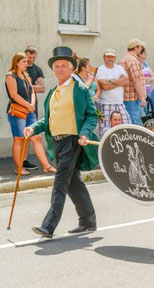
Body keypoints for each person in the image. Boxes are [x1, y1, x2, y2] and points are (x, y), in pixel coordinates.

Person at [24, 46, 99, 238]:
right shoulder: (53, 91)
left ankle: (48, 226)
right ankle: (88, 221)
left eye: (63, 66)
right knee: (73, 183)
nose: (59, 69)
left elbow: (92, 115)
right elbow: (48, 119)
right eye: (56, 66)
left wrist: (84, 133)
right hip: (56, 142)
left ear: (72, 68)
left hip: (72, 141)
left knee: (60, 182)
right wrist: (33, 127)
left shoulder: (79, 88)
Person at [5, 53, 56, 176]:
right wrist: (28, 106)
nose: (26, 64)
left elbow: (32, 92)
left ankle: (46, 166)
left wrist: (31, 104)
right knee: (19, 139)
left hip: (29, 111)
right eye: (23, 61)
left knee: (36, 137)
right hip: (17, 112)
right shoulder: (10, 76)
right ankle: (19, 168)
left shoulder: (25, 76)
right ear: (16, 62)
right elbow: (13, 95)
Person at [96, 49, 131, 136]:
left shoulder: (119, 68)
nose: (110, 59)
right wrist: (119, 82)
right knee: (105, 131)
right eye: (108, 57)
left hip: (119, 103)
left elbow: (126, 81)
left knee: (127, 128)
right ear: (104, 57)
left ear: (114, 58)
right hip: (106, 103)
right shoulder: (101, 69)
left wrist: (111, 81)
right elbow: (105, 86)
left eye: (112, 57)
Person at [24, 45, 46, 171]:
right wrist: (33, 86)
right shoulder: (20, 68)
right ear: (25, 55)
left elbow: (42, 88)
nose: (30, 59)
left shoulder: (37, 70)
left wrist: (26, 85)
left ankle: (25, 160)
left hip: (32, 106)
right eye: (28, 57)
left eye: (33, 57)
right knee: (21, 135)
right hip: (20, 106)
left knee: (31, 133)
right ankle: (20, 162)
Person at [120, 39, 147, 125]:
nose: (141, 49)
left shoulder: (124, 59)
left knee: (128, 121)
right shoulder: (133, 60)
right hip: (133, 98)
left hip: (126, 96)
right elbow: (136, 80)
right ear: (136, 48)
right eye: (141, 47)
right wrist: (142, 97)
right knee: (135, 124)